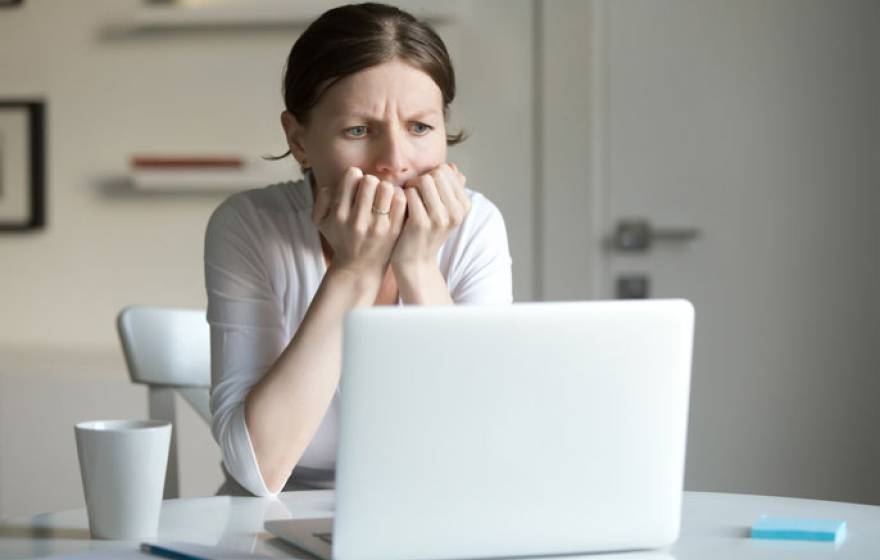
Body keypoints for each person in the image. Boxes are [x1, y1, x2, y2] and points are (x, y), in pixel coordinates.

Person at [204, 2, 513, 497]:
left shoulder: (475, 227)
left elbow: (482, 446)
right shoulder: (249, 225)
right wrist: (354, 270)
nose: (395, 161)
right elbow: (258, 469)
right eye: (358, 130)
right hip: (276, 522)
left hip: (430, 510)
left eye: (419, 127)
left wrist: (416, 265)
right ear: (299, 139)